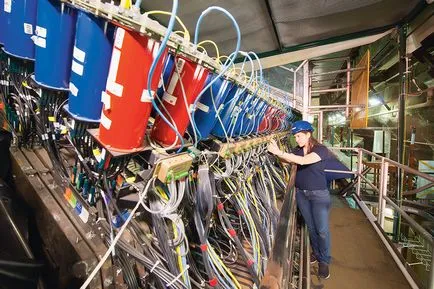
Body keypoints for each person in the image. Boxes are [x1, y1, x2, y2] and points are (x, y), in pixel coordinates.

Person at [268, 120, 331, 279]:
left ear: (308, 134)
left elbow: (303, 161)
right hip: (301, 194)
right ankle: (316, 254)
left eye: (299, 136)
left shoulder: (320, 150)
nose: (297, 139)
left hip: (319, 195)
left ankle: (324, 261)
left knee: (322, 230)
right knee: (311, 227)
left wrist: (279, 152)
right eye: (295, 136)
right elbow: (289, 160)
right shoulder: (296, 151)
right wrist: (273, 151)